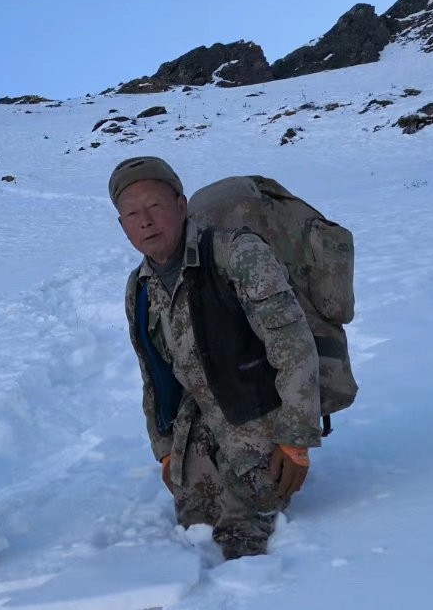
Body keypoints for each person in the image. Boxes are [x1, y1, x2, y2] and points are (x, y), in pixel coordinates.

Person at [112, 155, 322, 559]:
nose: (146, 221)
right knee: (194, 527)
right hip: (199, 421)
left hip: (259, 417)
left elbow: (293, 347)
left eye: (155, 206)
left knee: (243, 538)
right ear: (123, 226)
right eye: (132, 214)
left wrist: (295, 440)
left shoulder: (237, 255)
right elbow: (153, 375)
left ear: (180, 205)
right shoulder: (138, 287)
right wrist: (167, 449)